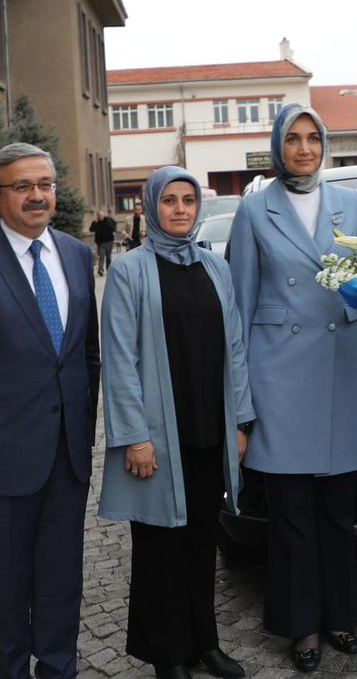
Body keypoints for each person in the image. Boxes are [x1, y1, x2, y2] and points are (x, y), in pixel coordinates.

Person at [227, 104, 357, 673]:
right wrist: (242, 399)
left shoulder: (349, 205)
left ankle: (342, 615)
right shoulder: (253, 209)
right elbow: (239, 308)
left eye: (313, 138)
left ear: (325, 144)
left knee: (338, 514)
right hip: (280, 377)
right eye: (293, 139)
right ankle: (302, 627)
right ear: (278, 146)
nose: (303, 148)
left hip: (343, 369)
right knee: (292, 515)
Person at [0, 142, 101, 679]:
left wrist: (84, 432)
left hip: (67, 459)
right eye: (23, 186)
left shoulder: (76, 255)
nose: (37, 196)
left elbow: (86, 357)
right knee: (5, 597)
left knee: (61, 587)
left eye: (45, 184)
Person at [99, 167, 256, 679]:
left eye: (189, 200)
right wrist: (134, 437)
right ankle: (167, 655)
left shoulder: (215, 267)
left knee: (202, 540)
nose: (181, 209)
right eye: (170, 200)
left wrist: (240, 422)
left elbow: (234, 348)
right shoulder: (129, 271)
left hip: (211, 429)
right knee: (159, 548)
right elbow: (119, 359)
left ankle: (204, 644)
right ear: (150, 207)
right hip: (159, 435)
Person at [89, 208, 117, 276]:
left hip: (109, 241)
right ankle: (100, 270)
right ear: (97, 216)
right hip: (100, 243)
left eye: (101, 214)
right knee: (101, 256)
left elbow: (114, 226)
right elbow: (91, 230)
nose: (100, 216)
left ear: (104, 214)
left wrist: (113, 230)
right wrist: (94, 222)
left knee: (108, 257)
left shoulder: (108, 220)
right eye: (98, 215)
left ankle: (109, 269)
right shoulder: (96, 222)